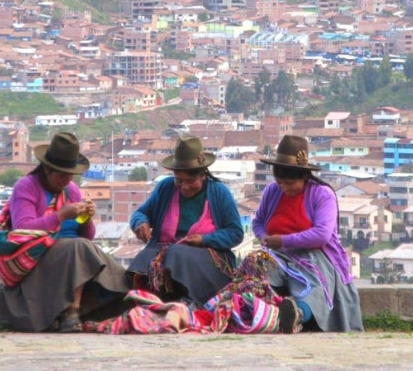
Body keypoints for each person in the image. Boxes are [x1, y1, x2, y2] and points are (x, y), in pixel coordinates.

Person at [0, 132, 130, 332]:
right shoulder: (26, 187)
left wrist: (86, 219)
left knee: (92, 254)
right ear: (47, 170)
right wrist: (59, 216)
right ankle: (73, 312)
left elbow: (86, 236)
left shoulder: (72, 190)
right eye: (61, 175)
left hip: (72, 253)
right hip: (38, 256)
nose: (66, 180)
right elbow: (22, 230)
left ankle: (119, 299)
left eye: (70, 175)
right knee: (79, 247)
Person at [254, 134, 364, 333]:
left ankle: (297, 313)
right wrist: (264, 237)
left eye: (290, 183)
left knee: (315, 281)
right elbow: (258, 222)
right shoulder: (272, 191)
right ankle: (261, 312)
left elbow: (321, 234)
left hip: (315, 253)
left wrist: (283, 240)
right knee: (256, 268)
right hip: (278, 252)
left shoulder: (322, 195)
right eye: (280, 183)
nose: (284, 188)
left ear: (304, 177)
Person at [127, 135, 244, 306]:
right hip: (164, 251)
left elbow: (235, 233)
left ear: (203, 174)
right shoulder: (165, 187)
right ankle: (146, 299)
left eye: (191, 181)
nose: (184, 187)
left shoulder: (219, 192)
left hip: (207, 256)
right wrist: (140, 223)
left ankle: (189, 299)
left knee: (177, 254)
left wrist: (204, 239)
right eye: (179, 180)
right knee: (146, 257)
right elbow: (141, 213)